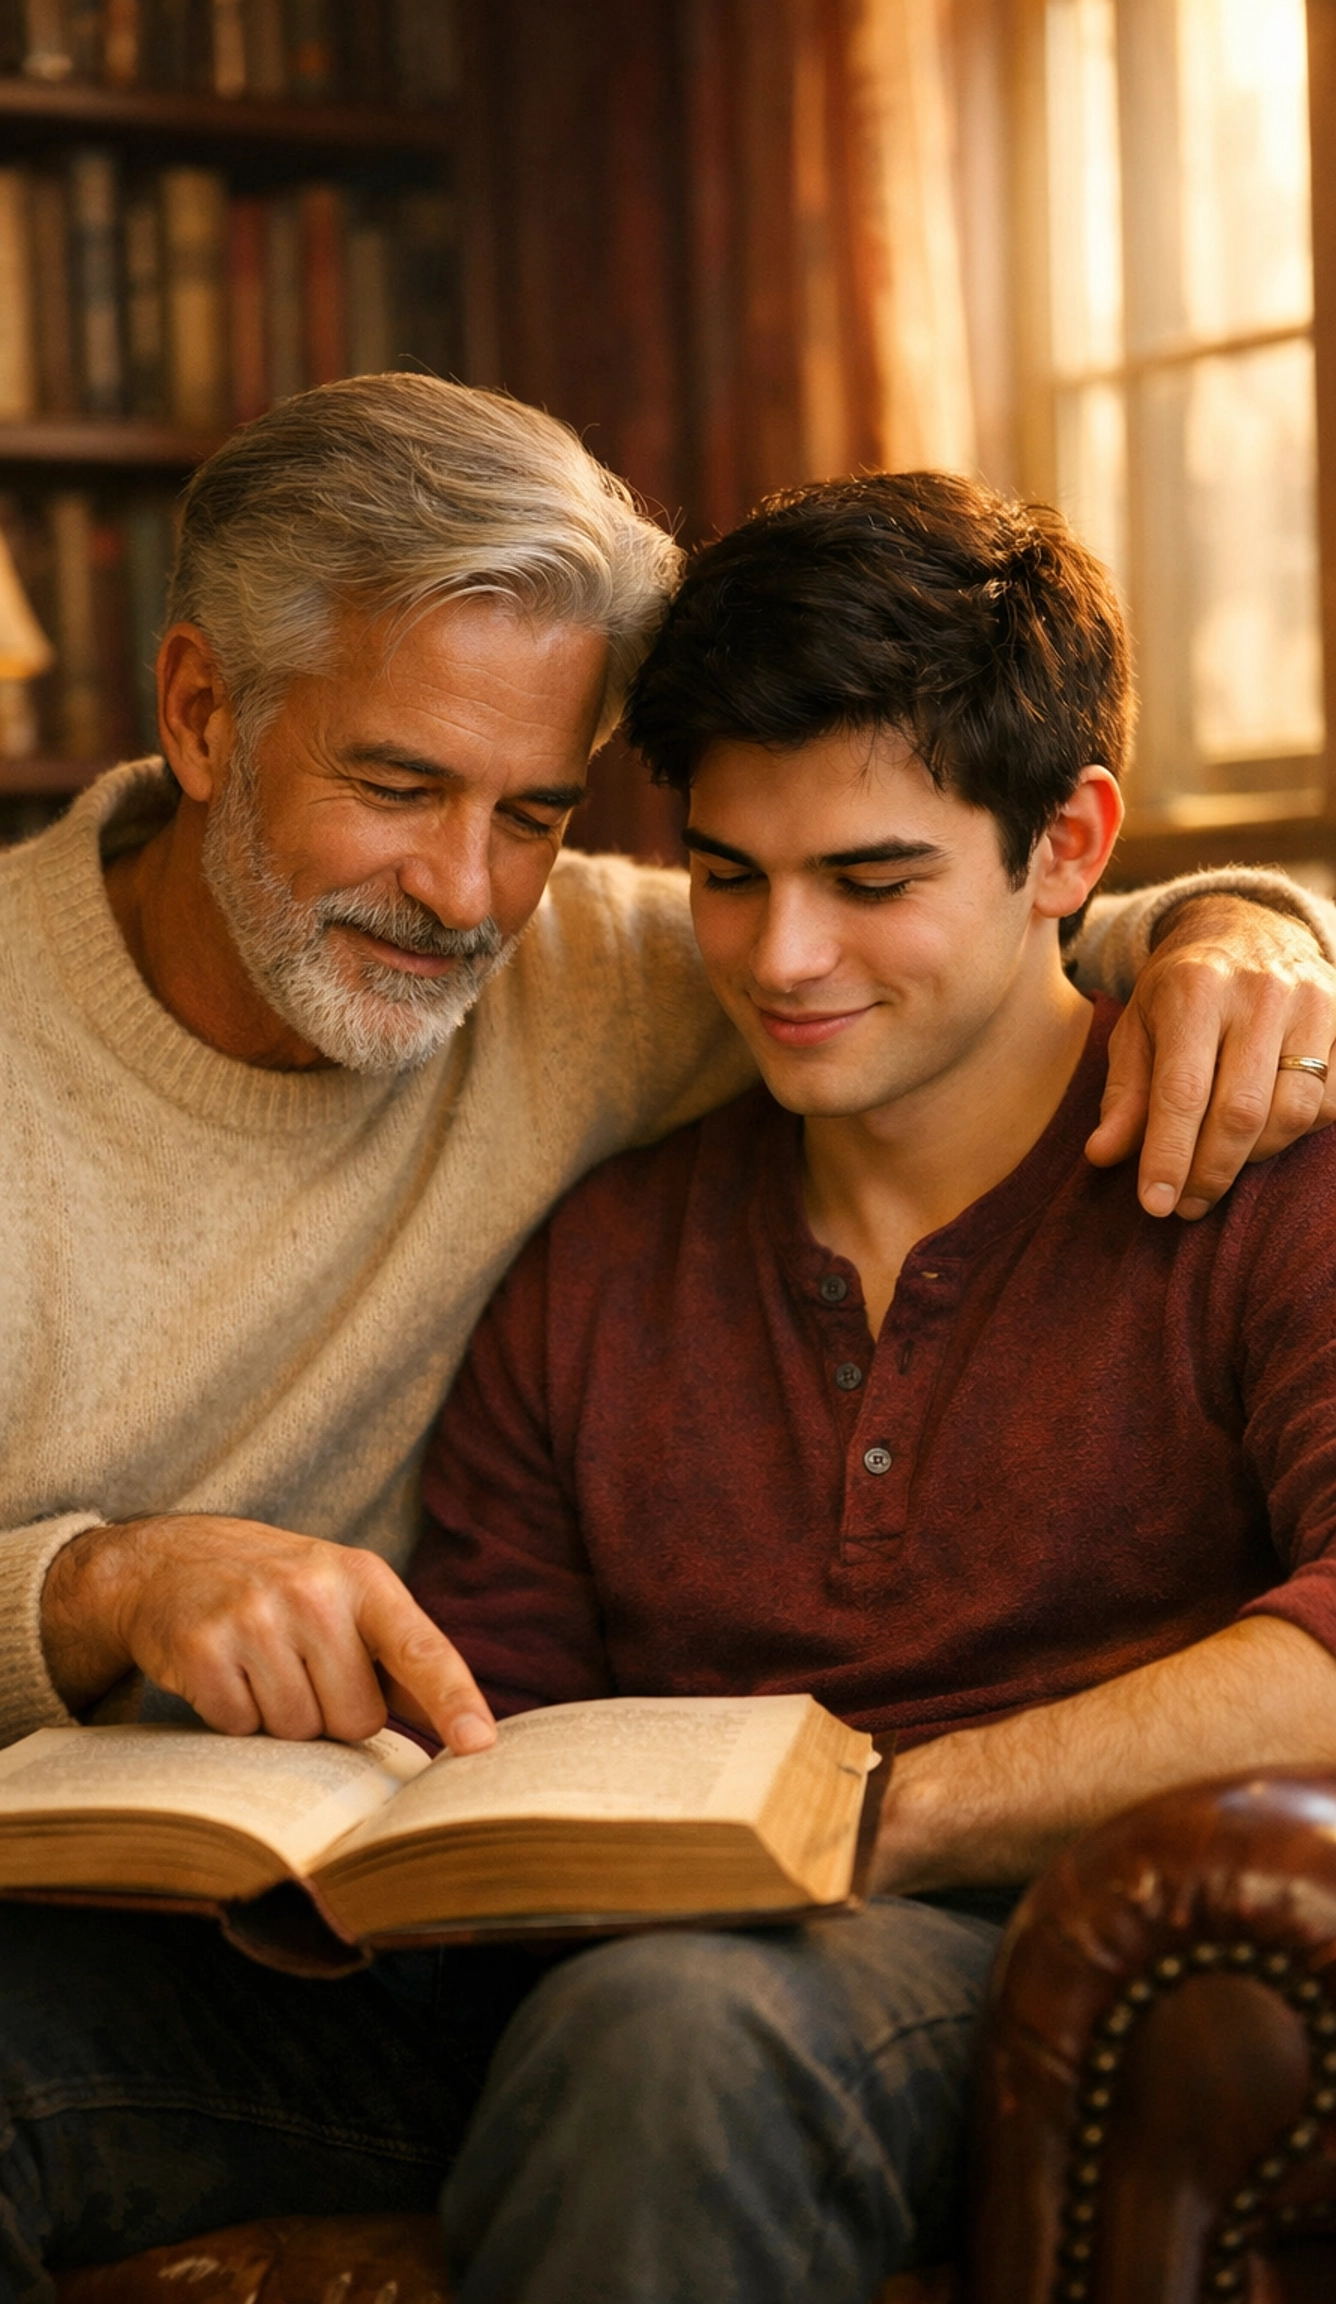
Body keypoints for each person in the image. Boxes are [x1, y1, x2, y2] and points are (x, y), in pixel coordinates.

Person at [0, 381, 1331, 2299]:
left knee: (665, 2031)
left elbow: (1021, 946)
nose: (464, 895)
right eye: (394, 786)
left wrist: (1254, 933)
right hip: (322, 1918)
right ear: (200, 714)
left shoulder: (1221, 1145)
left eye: (533, 813)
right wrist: (123, 1609)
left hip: (929, 1965)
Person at [407, 471, 1336, 2304]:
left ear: (1070, 846)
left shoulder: (1274, 1179)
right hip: (602, 1979)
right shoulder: (600, 1262)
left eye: (872, 880)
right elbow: (490, 1735)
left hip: (1043, 1971)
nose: (781, 961)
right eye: (729, 879)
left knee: (665, 2036)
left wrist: (869, 1816)